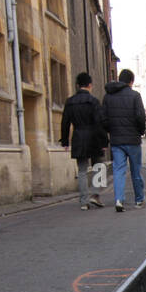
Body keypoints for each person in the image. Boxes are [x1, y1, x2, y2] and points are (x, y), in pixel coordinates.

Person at [59, 71, 107, 210]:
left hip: (78, 136)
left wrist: (65, 141)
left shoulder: (70, 102)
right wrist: (104, 142)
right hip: (94, 136)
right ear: (90, 85)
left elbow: (65, 122)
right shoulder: (93, 101)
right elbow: (100, 122)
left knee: (82, 170)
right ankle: (96, 195)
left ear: (77, 85)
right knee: (99, 166)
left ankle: (84, 201)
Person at [103, 69, 146, 211]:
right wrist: (141, 131)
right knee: (136, 171)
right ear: (131, 82)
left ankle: (119, 199)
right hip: (133, 140)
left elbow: (103, 119)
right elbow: (141, 117)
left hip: (117, 140)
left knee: (119, 170)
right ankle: (139, 200)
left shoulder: (108, 97)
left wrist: (111, 131)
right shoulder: (135, 96)